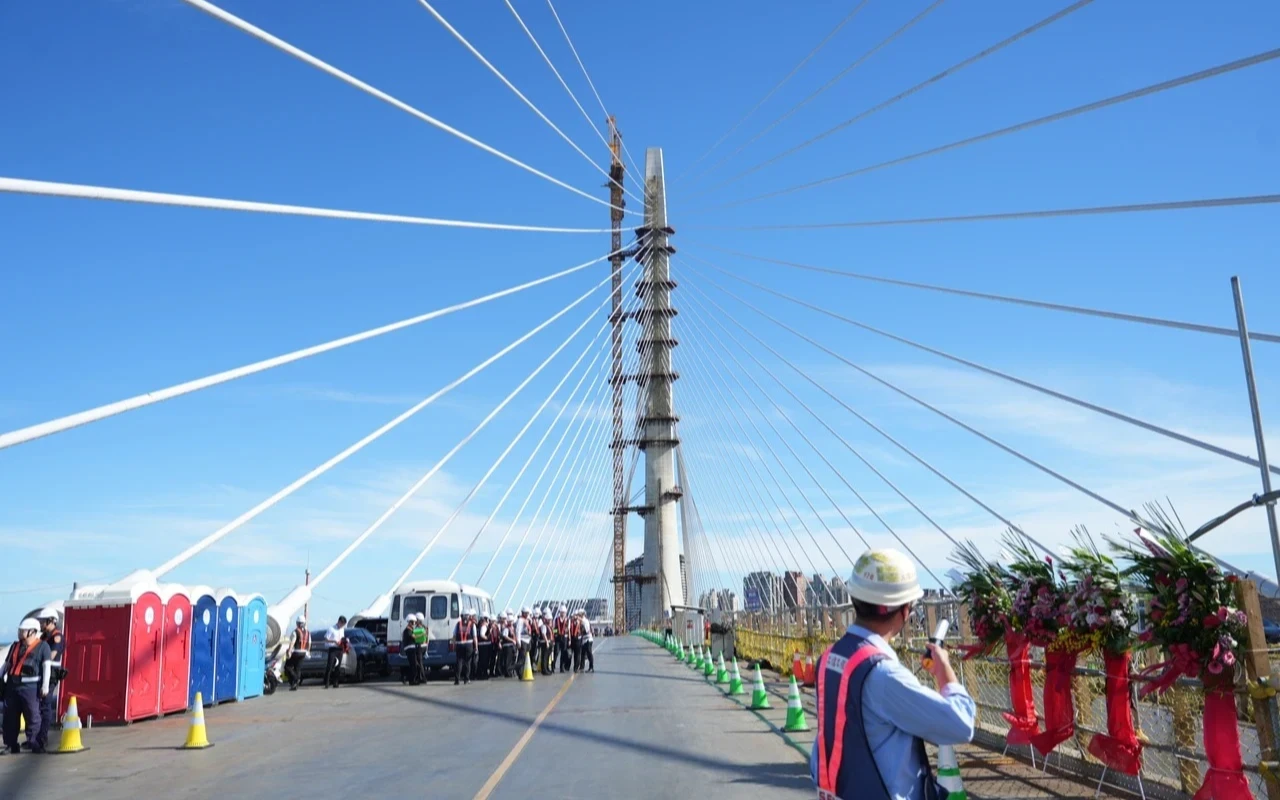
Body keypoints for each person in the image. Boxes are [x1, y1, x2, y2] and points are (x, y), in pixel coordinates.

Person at [810, 549, 975, 800]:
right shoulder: (883, 674)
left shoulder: (830, 658)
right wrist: (944, 672)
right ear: (905, 610)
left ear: (855, 599)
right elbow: (960, 725)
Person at [2, 619, 52, 754]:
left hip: (31, 687)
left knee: (33, 715)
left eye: (23, 630)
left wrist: (45, 686)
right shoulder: (15, 646)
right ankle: (11, 744)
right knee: (10, 717)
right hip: (12, 685)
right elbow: (7, 665)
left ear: (33, 632)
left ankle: (34, 743)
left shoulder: (43, 647)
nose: (20, 633)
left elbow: (46, 667)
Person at [32, 610, 63, 751]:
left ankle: (42, 738)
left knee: (45, 706)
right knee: (36, 706)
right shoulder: (43, 637)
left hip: (50, 674)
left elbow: (50, 656)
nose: (41, 624)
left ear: (52, 621)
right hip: (40, 673)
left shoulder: (57, 637)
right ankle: (35, 738)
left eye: (43, 621)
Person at [452, 609, 476, 685]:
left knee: (459, 662)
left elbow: (454, 636)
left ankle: (457, 680)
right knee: (467, 663)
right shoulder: (472, 625)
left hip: (459, 644)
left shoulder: (458, 624)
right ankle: (466, 679)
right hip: (469, 645)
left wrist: (453, 645)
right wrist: (476, 647)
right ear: (468, 616)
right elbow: (475, 637)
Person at [286, 617, 310, 691]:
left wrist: (289, 651)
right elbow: (309, 643)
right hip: (303, 652)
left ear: (297, 623)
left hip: (296, 652)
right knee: (298, 668)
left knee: (288, 667)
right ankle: (295, 685)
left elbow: (292, 642)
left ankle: (295, 679)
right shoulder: (307, 632)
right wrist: (308, 651)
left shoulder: (295, 632)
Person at [324, 616, 347, 689]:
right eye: (342, 624)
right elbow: (326, 639)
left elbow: (342, 637)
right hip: (333, 648)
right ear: (339, 622)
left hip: (340, 648)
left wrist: (344, 641)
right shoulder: (331, 629)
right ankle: (327, 682)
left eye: (343, 625)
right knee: (330, 665)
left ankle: (335, 682)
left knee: (338, 666)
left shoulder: (342, 629)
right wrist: (334, 641)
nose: (342, 626)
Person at [476, 612, 494, 680]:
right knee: (484, 661)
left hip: (482, 645)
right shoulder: (483, 626)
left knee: (482, 660)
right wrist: (487, 637)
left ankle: (481, 673)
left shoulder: (479, 625)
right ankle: (483, 674)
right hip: (484, 645)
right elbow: (482, 635)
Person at [412, 613, 428, 684]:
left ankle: (423, 678)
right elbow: (427, 638)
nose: (415, 621)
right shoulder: (425, 627)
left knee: (419, 663)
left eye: (416, 620)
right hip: (424, 646)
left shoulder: (417, 628)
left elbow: (415, 636)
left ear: (418, 620)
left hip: (419, 646)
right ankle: (421, 677)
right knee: (420, 662)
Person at [514, 607, 532, 675]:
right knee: (522, 657)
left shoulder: (526, 620)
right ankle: (519, 671)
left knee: (525, 657)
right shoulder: (520, 620)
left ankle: (521, 670)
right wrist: (518, 642)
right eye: (526, 613)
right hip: (522, 640)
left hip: (527, 640)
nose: (527, 614)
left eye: (528, 613)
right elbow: (518, 631)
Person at [499, 612, 516, 678]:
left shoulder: (512, 628)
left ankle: (510, 672)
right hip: (507, 645)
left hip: (511, 645)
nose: (511, 622)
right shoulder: (506, 628)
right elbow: (505, 636)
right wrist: (512, 640)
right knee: (507, 660)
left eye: (512, 621)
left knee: (511, 659)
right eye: (510, 621)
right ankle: (507, 672)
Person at [554, 606, 570, 673]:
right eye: (561, 612)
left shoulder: (568, 620)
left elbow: (568, 630)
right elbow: (554, 628)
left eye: (564, 612)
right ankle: (553, 666)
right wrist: (554, 636)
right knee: (556, 652)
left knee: (563, 653)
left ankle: (562, 667)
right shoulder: (556, 619)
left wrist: (569, 639)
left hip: (565, 637)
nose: (562, 613)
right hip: (558, 638)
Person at [537, 611, 554, 675]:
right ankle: (544, 670)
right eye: (549, 620)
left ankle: (547, 668)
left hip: (549, 642)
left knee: (547, 657)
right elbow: (544, 634)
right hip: (545, 643)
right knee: (544, 656)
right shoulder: (544, 626)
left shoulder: (549, 626)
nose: (550, 621)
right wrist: (547, 642)